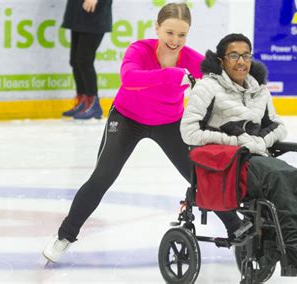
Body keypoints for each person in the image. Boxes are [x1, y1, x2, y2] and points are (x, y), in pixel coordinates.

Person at [43, 2, 241, 263]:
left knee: (201, 178)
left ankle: (236, 230)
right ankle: (65, 237)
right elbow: (130, 78)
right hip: (127, 119)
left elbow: (228, 82)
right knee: (102, 177)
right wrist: (173, 75)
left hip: (170, 123)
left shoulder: (194, 59)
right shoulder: (139, 49)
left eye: (182, 35)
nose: (175, 40)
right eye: (169, 32)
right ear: (157, 28)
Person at [180, 33, 297, 279]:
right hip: (229, 163)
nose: (241, 61)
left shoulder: (258, 89)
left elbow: (279, 126)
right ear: (221, 61)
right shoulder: (208, 87)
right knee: (280, 178)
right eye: (234, 56)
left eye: (246, 55)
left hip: (257, 158)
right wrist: (234, 142)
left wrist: (260, 141)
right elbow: (188, 132)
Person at [61, 0, 112, 120]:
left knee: (84, 61)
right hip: (78, 13)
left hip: (94, 14)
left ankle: (93, 104)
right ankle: (83, 101)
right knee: (75, 61)